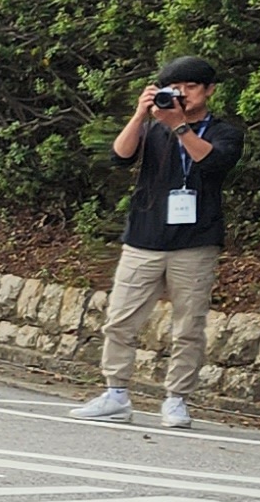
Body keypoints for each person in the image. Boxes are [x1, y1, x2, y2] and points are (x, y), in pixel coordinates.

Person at [72, 54, 244, 430]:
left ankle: (176, 399)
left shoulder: (224, 132)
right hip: (144, 238)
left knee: (188, 326)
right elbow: (120, 156)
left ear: (209, 90)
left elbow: (213, 164)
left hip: (195, 242)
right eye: (174, 87)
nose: (182, 94)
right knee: (120, 319)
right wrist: (140, 115)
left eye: (191, 87)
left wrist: (179, 126)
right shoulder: (153, 127)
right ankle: (116, 393)